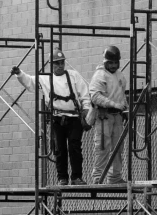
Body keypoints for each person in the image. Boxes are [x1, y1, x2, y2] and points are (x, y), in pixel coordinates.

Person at [11, 49, 91, 186]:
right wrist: (19, 73)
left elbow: (84, 94)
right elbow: (30, 82)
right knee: (59, 149)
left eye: (62, 62)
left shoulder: (73, 76)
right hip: (57, 119)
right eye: (57, 63)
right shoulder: (45, 78)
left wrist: (86, 110)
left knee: (75, 147)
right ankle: (62, 178)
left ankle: (77, 177)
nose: (60, 65)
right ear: (51, 64)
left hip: (74, 117)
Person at [88, 45, 127, 185]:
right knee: (103, 147)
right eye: (110, 62)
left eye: (115, 62)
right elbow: (95, 96)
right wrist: (113, 104)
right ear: (105, 62)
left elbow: (122, 95)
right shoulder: (100, 75)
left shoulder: (120, 75)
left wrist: (124, 107)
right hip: (104, 116)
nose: (113, 65)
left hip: (117, 117)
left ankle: (114, 176)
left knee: (118, 147)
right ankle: (98, 177)